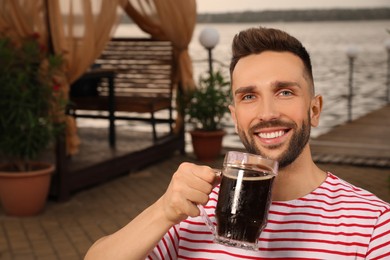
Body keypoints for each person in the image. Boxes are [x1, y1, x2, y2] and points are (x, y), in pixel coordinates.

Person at [85, 27, 390, 259]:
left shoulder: (374, 225)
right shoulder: (195, 210)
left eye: (285, 92)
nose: (267, 113)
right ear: (235, 117)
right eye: (248, 96)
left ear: (314, 110)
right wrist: (164, 209)